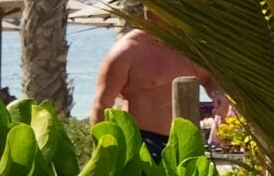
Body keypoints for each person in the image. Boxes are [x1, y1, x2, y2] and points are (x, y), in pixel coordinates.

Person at [91, 24, 214, 158]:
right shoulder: (128, 50)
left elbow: (208, 79)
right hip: (143, 143)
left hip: (187, 142)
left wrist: (217, 95)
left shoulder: (188, 47)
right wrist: (102, 153)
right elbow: (102, 103)